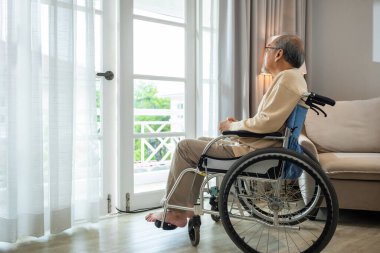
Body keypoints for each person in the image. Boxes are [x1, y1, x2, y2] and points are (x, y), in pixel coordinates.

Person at [145, 35, 308, 229]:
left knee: (184, 147)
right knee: (200, 142)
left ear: (278, 53)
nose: (264, 54)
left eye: (267, 49)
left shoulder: (286, 79)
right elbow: (269, 122)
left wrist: (232, 127)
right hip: (260, 145)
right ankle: (184, 207)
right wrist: (238, 125)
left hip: (253, 151)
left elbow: (266, 124)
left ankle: (176, 211)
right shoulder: (293, 79)